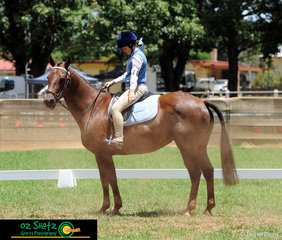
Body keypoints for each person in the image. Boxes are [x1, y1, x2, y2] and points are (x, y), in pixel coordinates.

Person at [105, 31, 148, 147]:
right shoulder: (133, 56)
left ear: (130, 45)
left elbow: (134, 76)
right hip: (134, 86)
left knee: (115, 109)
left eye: (124, 48)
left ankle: (119, 139)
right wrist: (113, 82)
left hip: (138, 88)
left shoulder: (136, 57)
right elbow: (127, 75)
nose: (123, 51)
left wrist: (132, 92)